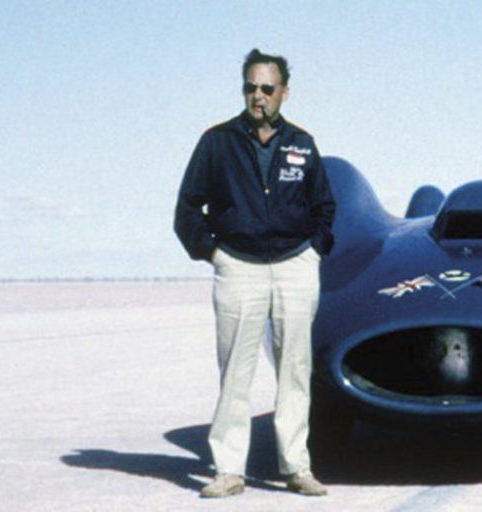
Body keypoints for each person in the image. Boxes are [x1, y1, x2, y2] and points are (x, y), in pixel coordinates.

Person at [174, 48, 335, 499]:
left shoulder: (302, 143)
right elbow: (187, 209)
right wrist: (213, 253)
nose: (258, 96)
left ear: (284, 92)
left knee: (295, 370)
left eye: (267, 88)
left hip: (293, 266)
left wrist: (314, 250)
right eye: (250, 87)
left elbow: (324, 205)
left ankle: (296, 466)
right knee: (235, 374)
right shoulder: (217, 142)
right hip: (238, 267)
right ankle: (228, 470)